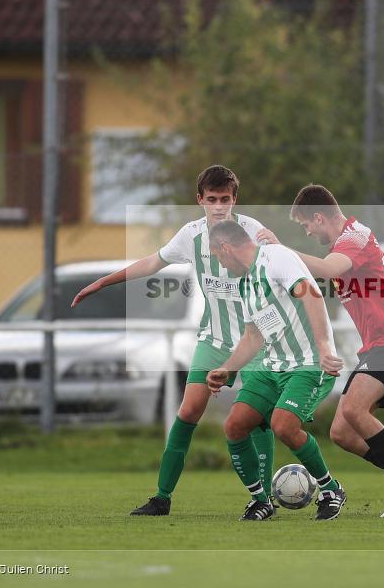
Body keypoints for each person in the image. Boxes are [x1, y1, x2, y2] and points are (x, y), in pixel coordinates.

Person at [71, 165, 275, 516]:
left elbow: (280, 261)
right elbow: (153, 262)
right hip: (213, 339)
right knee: (188, 410)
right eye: (211, 199)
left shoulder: (252, 231)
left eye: (225, 199)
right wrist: (104, 282)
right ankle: (162, 497)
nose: (218, 207)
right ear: (199, 200)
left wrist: (274, 244)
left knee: (253, 418)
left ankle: (264, 499)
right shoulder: (191, 235)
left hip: (253, 341)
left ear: (234, 200)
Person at [256, 184, 384, 518]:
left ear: (319, 217)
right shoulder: (348, 239)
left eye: (306, 225)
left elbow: (329, 269)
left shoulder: (353, 237)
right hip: (379, 347)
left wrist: (282, 251)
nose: (308, 232)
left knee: (355, 410)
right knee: (340, 432)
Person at [206, 219, 346, 521]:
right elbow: (254, 336)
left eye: (218, 258)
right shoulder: (245, 282)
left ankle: (331, 489)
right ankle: (261, 500)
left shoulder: (276, 257)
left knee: (283, 425)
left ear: (226, 248)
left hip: (308, 364)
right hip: (272, 367)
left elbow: (311, 294)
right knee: (234, 426)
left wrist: (324, 348)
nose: (221, 265)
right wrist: (227, 368)